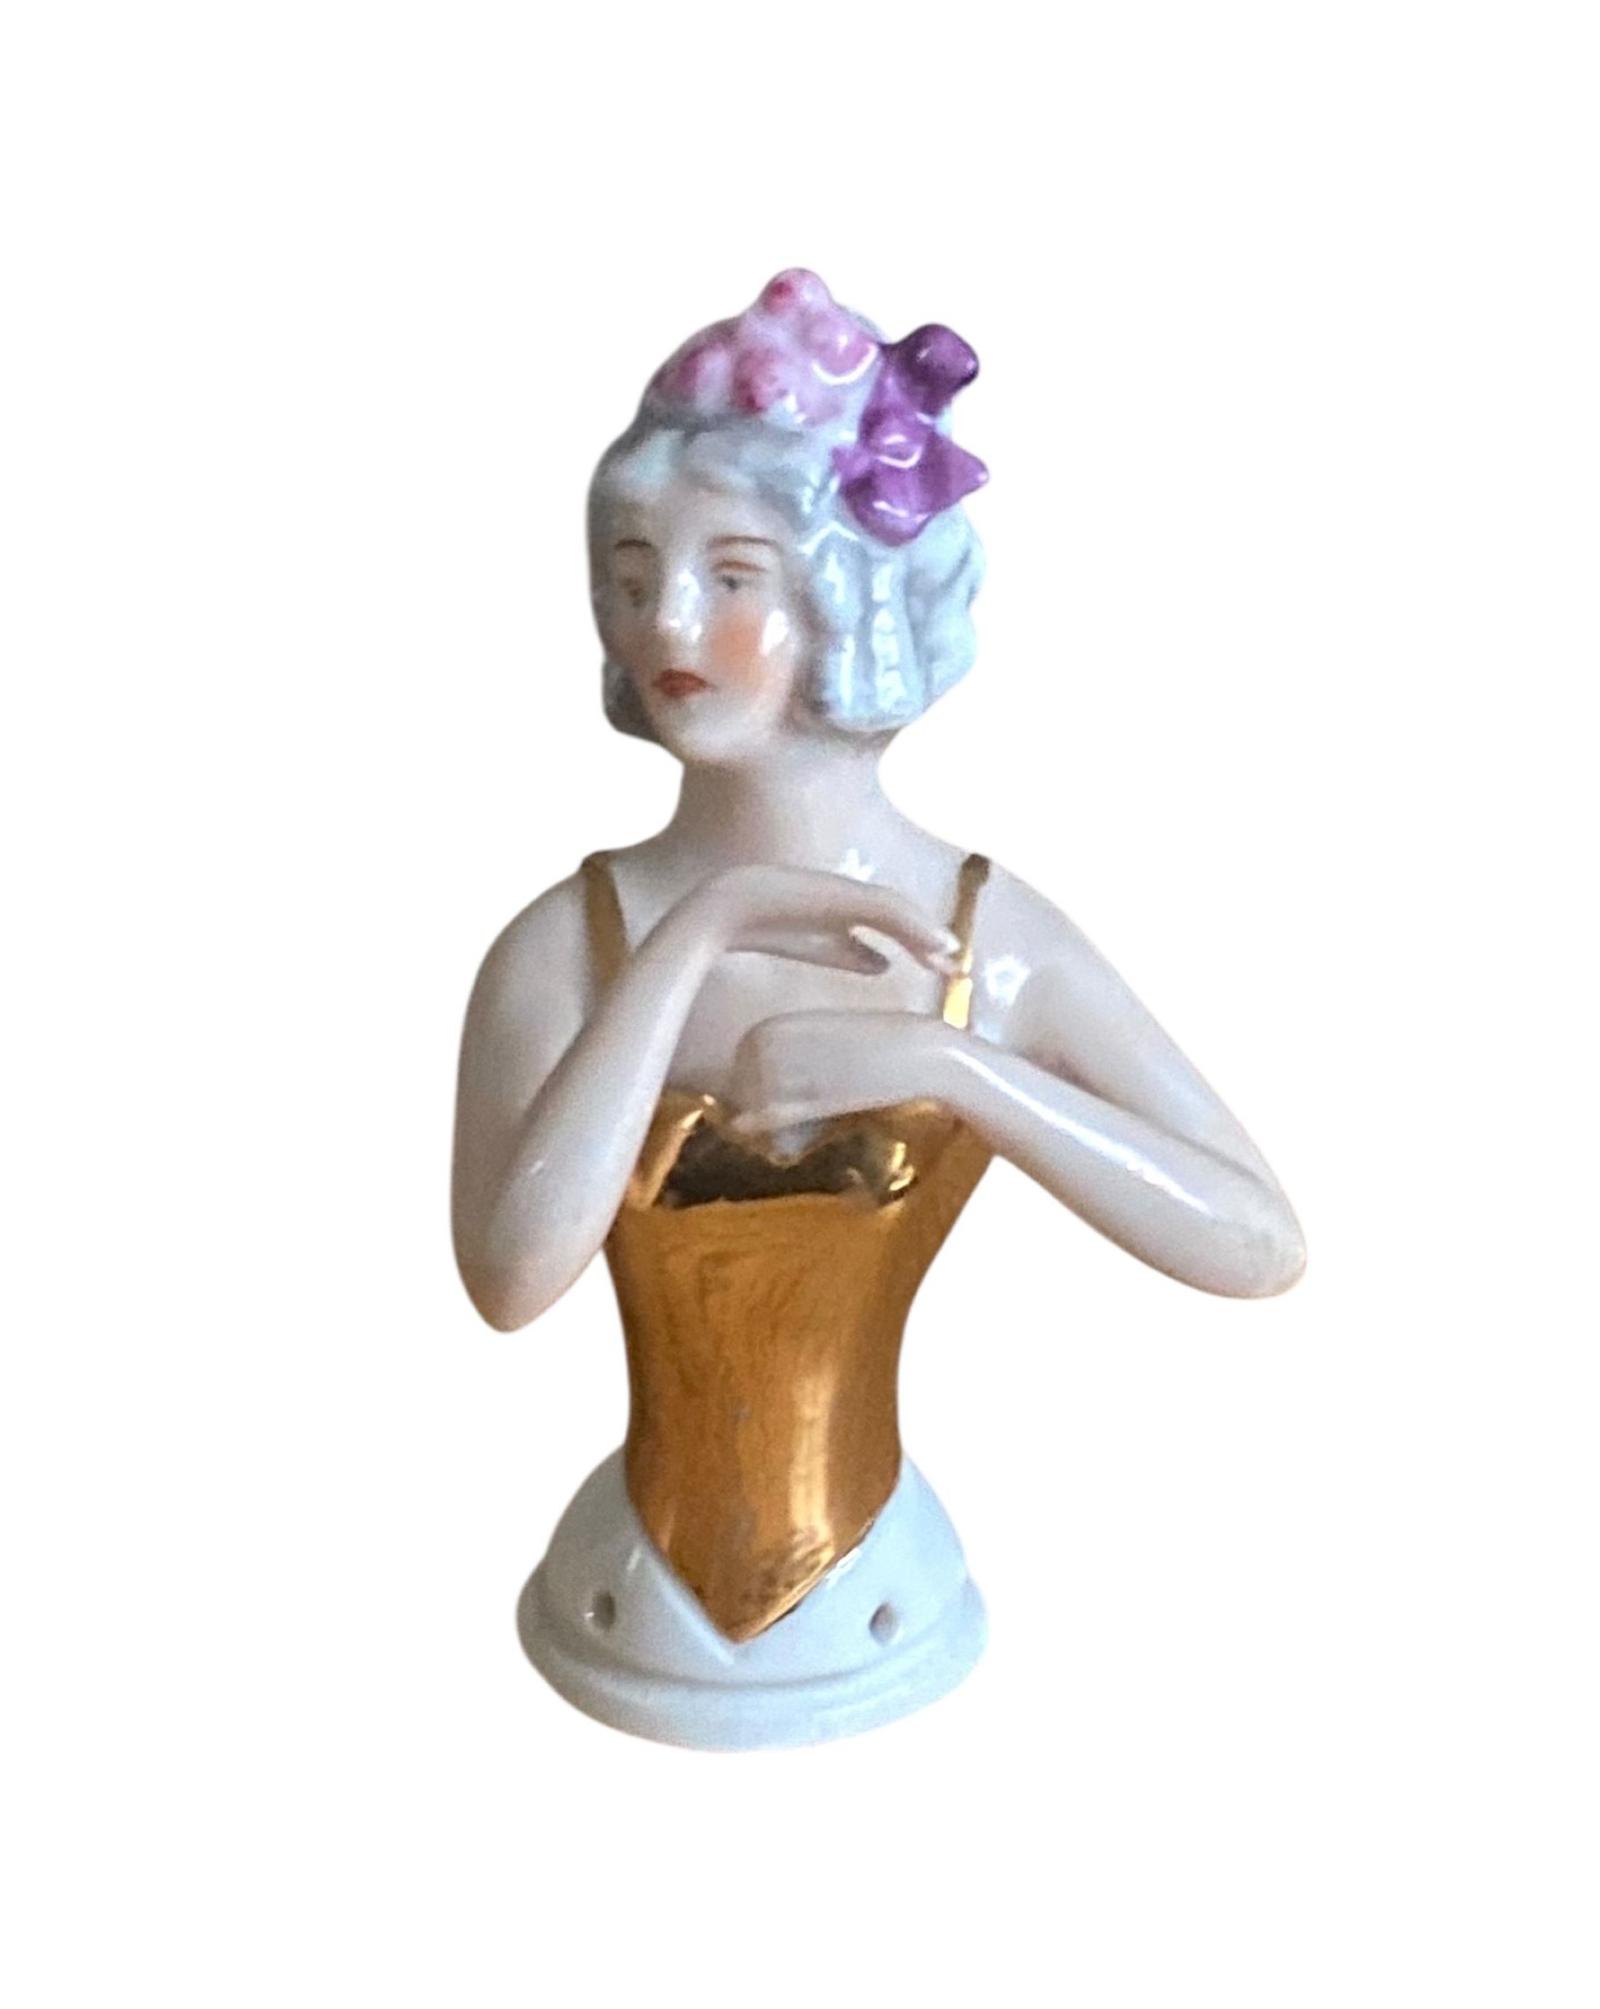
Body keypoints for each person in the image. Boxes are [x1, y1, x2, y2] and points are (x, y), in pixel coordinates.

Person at [451, 269, 1305, 1748]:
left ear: (844, 596)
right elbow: (511, 1281)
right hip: (613, 1610)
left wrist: (954, 1066)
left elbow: (1259, 1241)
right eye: (632, 570)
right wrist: (697, 933)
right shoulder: (563, 948)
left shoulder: (985, 941)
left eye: (732, 576)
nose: (667, 619)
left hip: (887, 1609)